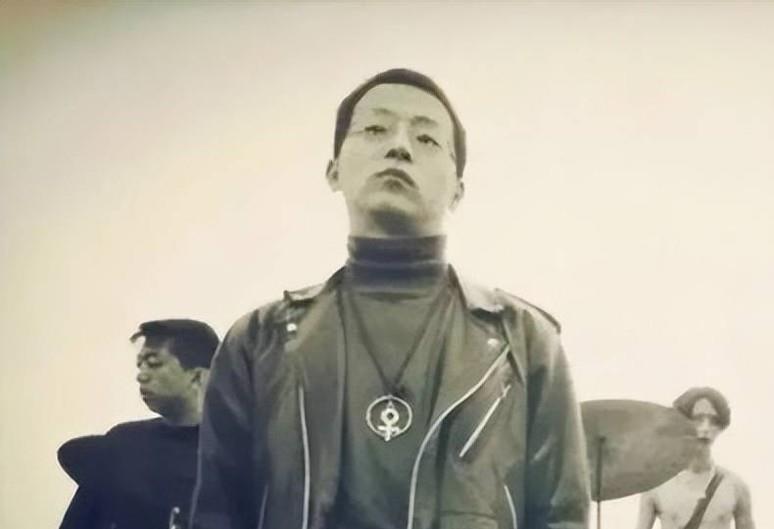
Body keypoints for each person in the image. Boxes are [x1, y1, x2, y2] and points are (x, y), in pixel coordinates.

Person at [190, 69, 589, 529]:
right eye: (376, 129)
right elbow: (217, 514)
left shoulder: (524, 339)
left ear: (458, 191)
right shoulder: (259, 340)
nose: (399, 146)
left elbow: (562, 516)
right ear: (333, 171)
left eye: (427, 138)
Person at [58, 319, 219, 529]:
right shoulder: (123, 445)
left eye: (154, 363)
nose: (141, 375)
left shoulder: (238, 456)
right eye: (140, 365)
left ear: (197, 376)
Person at [635, 387, 755, 529]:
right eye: (698, 419)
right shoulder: (657, 486)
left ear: (720, 427)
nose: (706, 428)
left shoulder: (735, 486)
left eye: (713, 421)